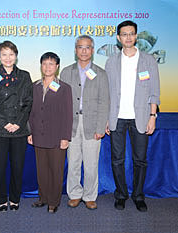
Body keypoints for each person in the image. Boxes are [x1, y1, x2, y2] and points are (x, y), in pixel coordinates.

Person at [105, 20, 160, 212]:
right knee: (117, 159)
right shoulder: (111, 61)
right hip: (117, 117)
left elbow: (154, 91)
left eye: (131, 33)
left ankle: (138, 196)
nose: (128, 37)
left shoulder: (148, 60)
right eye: (124, 34)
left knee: (140, 160)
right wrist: (106, 118)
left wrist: (153, 115)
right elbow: (107, 93)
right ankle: (121, 194)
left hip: (142, 117)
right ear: (118, 38)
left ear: (136, 36)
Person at [60, 35, 110, 210]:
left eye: (87, 47)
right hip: (70, 123)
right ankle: (74, 194)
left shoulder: (101, 73)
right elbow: (61, 101)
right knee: (73, 161)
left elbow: (105, 101)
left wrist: (101, 126)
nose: (84, 50)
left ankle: (89, 196)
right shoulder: (66, 72)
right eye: (80, 47)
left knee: (91, 164)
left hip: (92, 122)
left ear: (92, 50)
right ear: (75, 50)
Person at [0, 40, 33, 212]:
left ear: (16, 56)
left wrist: (17, 123)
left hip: (19, 130)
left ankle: (14, 197)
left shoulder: (24, 76)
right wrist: (5, 123)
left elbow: (28, 103)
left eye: (11, 54)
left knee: (17, 167)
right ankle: (1, 199)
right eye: (4, 54)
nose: (8, 58)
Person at [28, 52, 73, 213]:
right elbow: (30, 112)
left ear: (57, 67)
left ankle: (53, 201)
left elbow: (68, 114)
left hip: (57, 136)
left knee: (56, 169)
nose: (47, 67)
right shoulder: (34, 86)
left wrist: (65, 137)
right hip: (38, 135)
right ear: (41, 66)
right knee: (42, 170)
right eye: (45, 64)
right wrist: (30, 132)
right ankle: (43, 198)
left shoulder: (65, 88)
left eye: (51, 64)